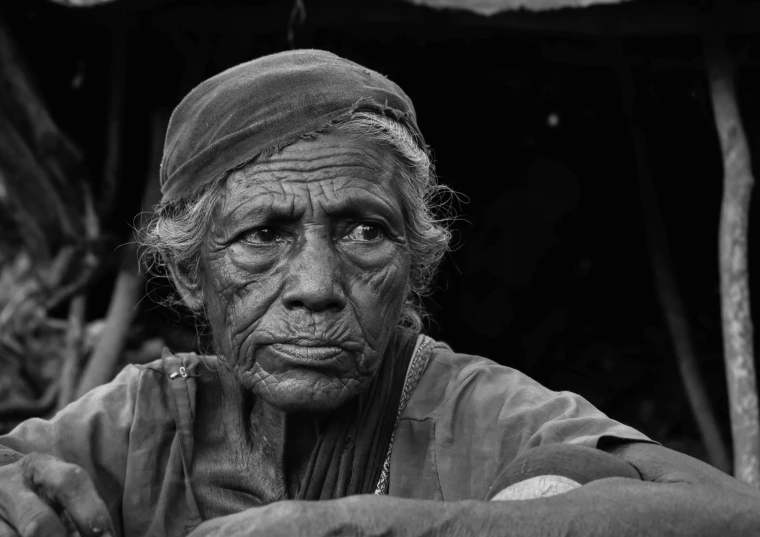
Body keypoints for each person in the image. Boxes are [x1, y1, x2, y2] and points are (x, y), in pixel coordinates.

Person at [0, 49, 758, 537]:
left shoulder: (474, 411)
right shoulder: (148, 421)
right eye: (263, 235)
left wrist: (372, 526)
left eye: (364, 230)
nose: (318, 288)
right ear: (195, 274)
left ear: (413, 264)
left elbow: (731, 516)